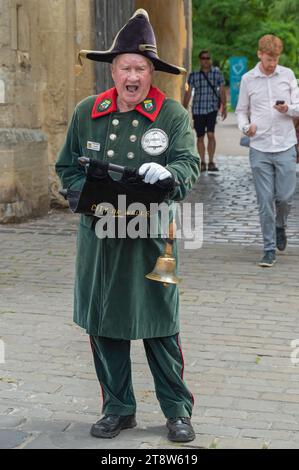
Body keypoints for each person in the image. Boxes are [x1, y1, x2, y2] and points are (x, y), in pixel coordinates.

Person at [55, 9, 200, 442]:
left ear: (151, 72)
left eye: (140, 68)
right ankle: (118, 409)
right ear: (112, 70)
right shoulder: (88, 112)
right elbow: (66, 167)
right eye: (125, 68)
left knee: (160, 326)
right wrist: (84, 196)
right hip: (100, 240)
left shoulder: (170, 114)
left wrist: (172, 176)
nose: (132, 76)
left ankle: (177, 411)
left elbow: (188, 163)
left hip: (150, 238)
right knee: (105, 324)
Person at [236, 34, 299, 267]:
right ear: (259, 54)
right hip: (259, 147)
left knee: (284, 198)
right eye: (269, 58)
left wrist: (288, 108)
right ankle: (269, 249)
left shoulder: (288, 75)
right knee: (264, 201)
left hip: (285, 145)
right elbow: (241, 109)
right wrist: (245, 126)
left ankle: (280, 225)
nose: (272, 63)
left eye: (276, 58)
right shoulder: (247, 79)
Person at [183, 49, 227, 172]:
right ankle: (202, 162)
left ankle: (211, 161)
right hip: (198, 110)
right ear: (200, 60)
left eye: (208, 58)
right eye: (203, 58)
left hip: (212, 108)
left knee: (211, 134)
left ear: (210, 60)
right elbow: (188, 93)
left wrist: (224, 106)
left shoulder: (217, 74)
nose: (206, 60)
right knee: (200, 137)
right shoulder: (194, 75)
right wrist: (183, 108)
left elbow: (222, 90)